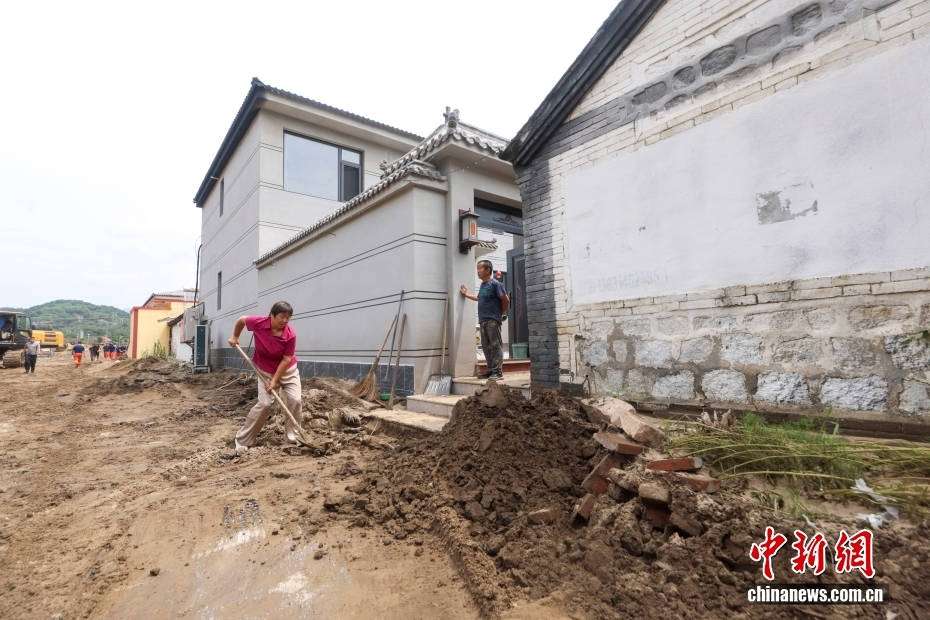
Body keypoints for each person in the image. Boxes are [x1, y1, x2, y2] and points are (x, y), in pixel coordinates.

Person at [227, 301, 301, 451]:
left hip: (288, 371)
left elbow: (286, 359)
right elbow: (241, 320)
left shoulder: (290, 335)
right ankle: (243, 440)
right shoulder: (258, 323)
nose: (285, 320)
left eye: (288, 318)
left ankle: (293, 438)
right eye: (282, 317)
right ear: (272, 315)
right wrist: (235, 336)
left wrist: (275, 381)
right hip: (265, 370)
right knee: (265, 404)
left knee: (295, 400)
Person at [460, 259, 510, 380]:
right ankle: (491, 370)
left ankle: (498, 372)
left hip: (493, 320)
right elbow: (479, 298)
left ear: (488, 270)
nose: (478, 271)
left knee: (495, 345)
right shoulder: (483, 285)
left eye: (480, 268)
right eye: (477, 269)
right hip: (483, 320)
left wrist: (501, 313)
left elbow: (506, 300)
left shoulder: (496, 284)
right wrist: (466, 294)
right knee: (486, 346)